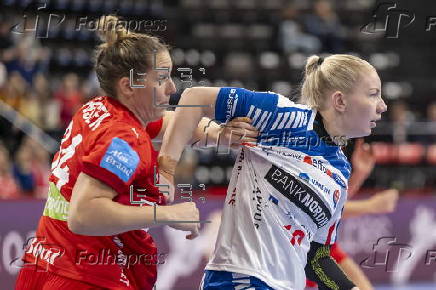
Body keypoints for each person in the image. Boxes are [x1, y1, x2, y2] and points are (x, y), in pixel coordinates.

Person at [15, 15, 257, 290]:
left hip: (44, 263)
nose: (172, 88)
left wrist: (219, 134)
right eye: (161, 79)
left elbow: (176, 123)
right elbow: (83, 215)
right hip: (86, 277)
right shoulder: (125, 138)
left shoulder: (100, 108)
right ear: (129, 86)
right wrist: (166, 215)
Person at [159, 54, 387, 289]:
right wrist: (166, 168)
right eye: (373, 94)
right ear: (340, 101)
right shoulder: (285, 117)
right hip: (241, 278)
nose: (383, 105)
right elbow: (194, 98)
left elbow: (317, 258)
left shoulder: (340, 170)